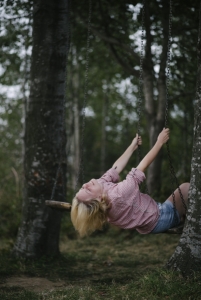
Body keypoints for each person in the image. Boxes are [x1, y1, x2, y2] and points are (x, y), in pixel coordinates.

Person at [71, 128, 189, 237]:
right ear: (100, 199)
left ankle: (184, 216)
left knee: (185, 197)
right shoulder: (118, 195)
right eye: (88, 190)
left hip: (151, 215)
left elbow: (116, 168)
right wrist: (159, 142)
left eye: (82, 188)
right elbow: (142, 166)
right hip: (159, 219)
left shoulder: (100, 187)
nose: (85, 185)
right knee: (186, 189)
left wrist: (132, 147)